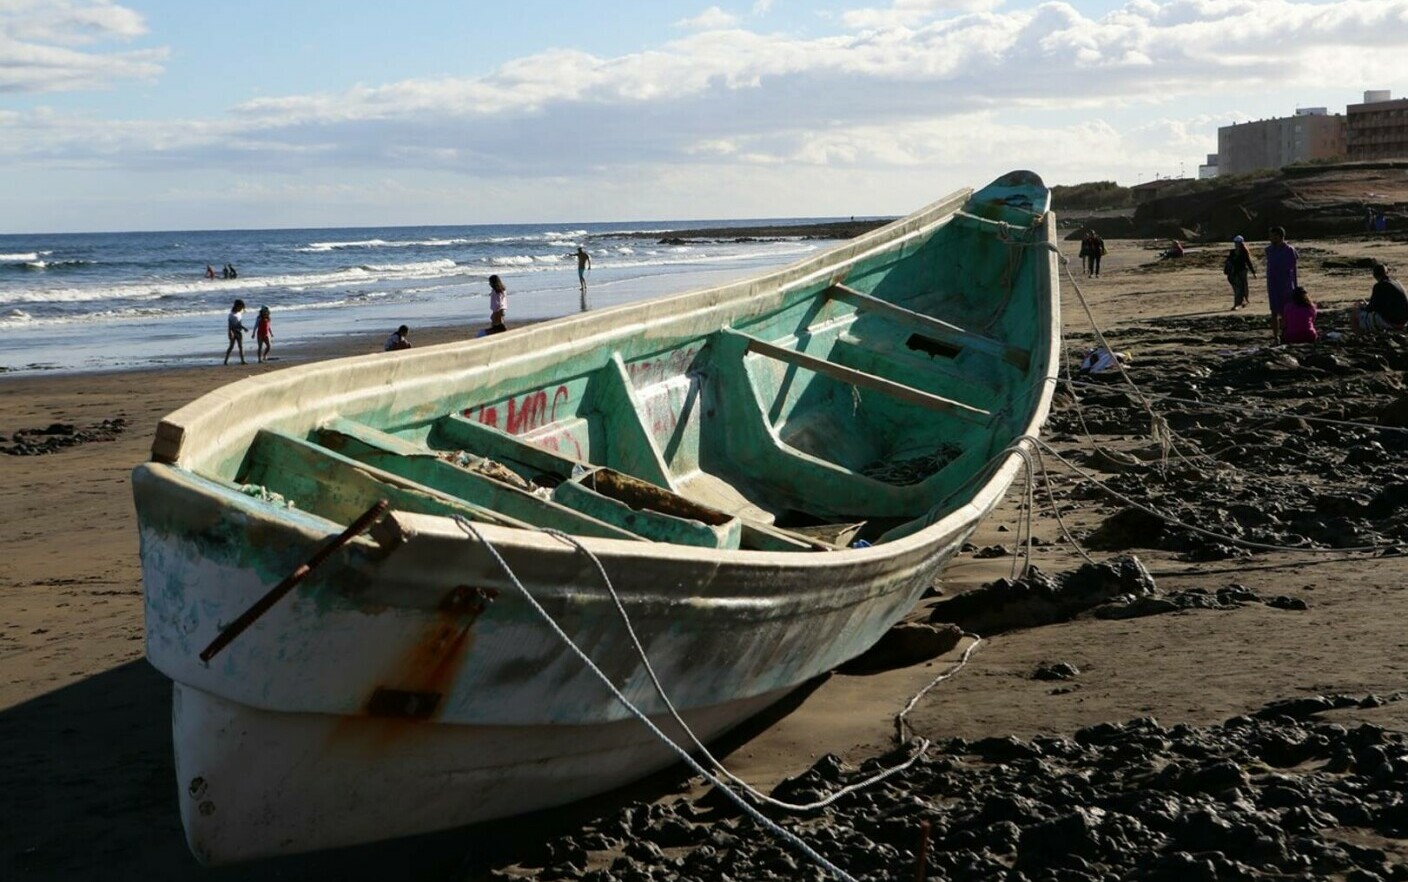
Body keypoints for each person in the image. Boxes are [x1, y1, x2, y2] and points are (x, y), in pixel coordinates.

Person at [1264, 226, 1297, 344]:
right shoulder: (1269, 250)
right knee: (1273, 311)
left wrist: (1295, 287)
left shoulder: (1289, 250)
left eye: (1272, 235)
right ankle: (1275, 337)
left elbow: (1294, 269)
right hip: (1273, 284)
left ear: (1279, 236)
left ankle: (1286, 334)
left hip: (1286, 284)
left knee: (1286, 311)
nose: (1270, 238)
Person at [1353, 263, 1408, 333]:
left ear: (1374, 275)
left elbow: (1372, 308)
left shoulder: (1380, 286)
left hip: (1393, 322)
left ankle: (1358, 337)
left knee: (1355, 314)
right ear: (1387, 273)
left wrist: (1362, 306)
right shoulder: (1397, 282)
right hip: (1404, 321)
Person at [1223, 235, 1257, 310]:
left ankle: (1243, 301)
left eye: (1237, 242)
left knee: (1244, 287)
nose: (1236, 244)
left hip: (1243, 271)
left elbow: (1248, 262)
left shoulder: (1244, 252)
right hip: (1235, 272)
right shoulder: (1232, 252)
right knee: (1238, 288)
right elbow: (1229, 262)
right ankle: (1238, 303)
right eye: (1235, 242)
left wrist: (1253, 272)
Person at [224, 299, 248, 365]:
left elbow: (239, 324)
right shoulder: (231, 314)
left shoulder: (239, 314)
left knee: (241, 346)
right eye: (240, 307)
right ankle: (225, 361)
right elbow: (229, 324)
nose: (241, 309)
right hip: (233, 332)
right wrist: (229, 332)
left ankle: (242, 360)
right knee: (231, 346)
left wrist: (244, 328)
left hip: (239, 332)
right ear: (236, 306)